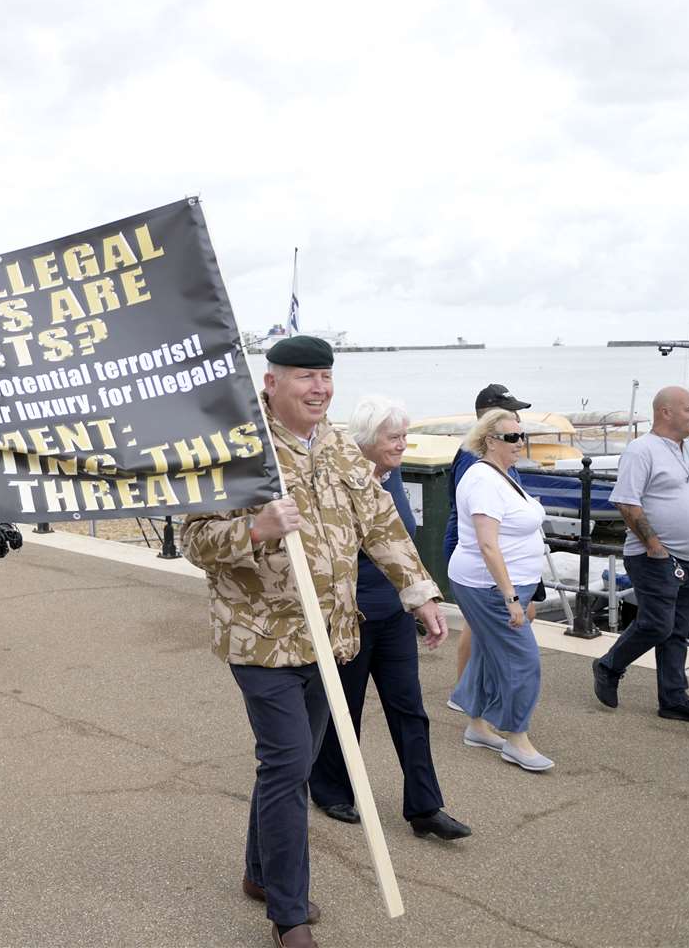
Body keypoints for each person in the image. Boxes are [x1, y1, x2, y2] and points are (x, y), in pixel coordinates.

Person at [182, 336, 445, 948]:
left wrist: (421, 593)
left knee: (287, 765)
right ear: (271, 382)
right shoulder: (238, 449)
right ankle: (289, 915)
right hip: (262, 639)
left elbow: (381, 523)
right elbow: (195, 540)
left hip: (330, 639)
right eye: (305, 376)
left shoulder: (338, 448)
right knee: (288, 765)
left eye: (326, 376)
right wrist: (255, 528)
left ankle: (259, 874)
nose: (319, 388)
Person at [309, 395, 470, 841]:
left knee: (410, 710)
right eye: (393, 437)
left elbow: (402, 544)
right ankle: (329, 789)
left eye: (404, 435)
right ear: (366, 439)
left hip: (395, 614)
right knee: (346, 709)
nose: (402, 445)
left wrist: (421, 599)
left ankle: (425, 806)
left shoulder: (393, 476)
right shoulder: (339, 481)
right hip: (351, 615)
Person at [592, 387, 689, 726]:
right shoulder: (641, 450)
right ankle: (609, 666)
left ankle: (674, 698)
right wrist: (654, 546)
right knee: (658, 624)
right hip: (655, 557)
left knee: (677, 630)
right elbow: (626, 502)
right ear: (666, 412)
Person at [449, 409, 552, 771]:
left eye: (521, 436)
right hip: (490, 587)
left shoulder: (502, 475)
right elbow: (488, 545)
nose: (519, 443)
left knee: (487, 653)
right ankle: (517, 737)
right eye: (512, 437)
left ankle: (477, 725)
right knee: (523, 661)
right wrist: (510, 598)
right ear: (490, 440)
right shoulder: (483, 480)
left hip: (508, 584)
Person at [443, 383, 536, 710]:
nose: (516, 418)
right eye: (510, 411)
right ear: (489, 416)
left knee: (493, 627)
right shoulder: (476, 461)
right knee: (478, 627)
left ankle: (472, 694)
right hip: (476, 553)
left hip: (501, 557)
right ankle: (466, 696)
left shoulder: (497, 455)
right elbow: (482, 527)